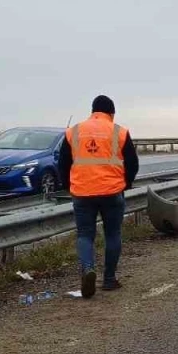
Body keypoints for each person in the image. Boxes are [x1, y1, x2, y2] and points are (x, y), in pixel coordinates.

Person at [58, 95, 139, 298]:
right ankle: (110, 279)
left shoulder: (73, 131)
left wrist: (70, 187)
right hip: (112, 192)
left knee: (85, 235)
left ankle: (88, 269)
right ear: (111, 113)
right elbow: (132, 163)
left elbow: (62, 164)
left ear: (92, 111)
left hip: (82, 192)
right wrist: (126, 184)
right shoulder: (119, 131)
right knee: (112, 234)